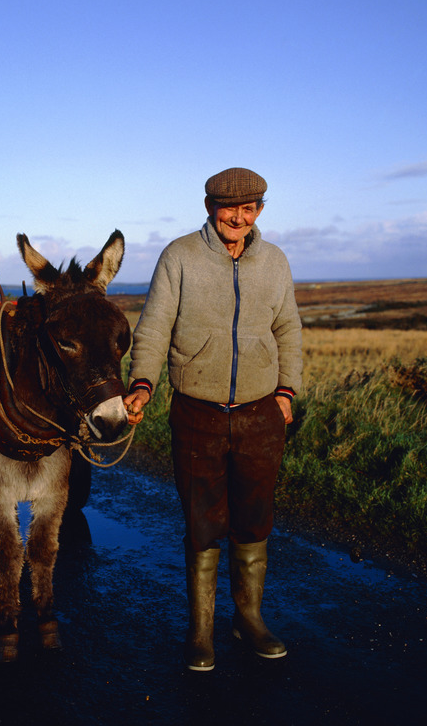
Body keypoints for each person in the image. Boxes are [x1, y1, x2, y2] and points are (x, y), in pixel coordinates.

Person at [123, 167, 303, 672]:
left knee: (254, 518)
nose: (238, 218)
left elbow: (288, 327)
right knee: (203, 523)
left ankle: (249, 618)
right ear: (209, 207)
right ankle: (201, 631)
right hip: (196, 413)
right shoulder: (178, 256)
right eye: (229, 208)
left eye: (249, 209)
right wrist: (143, 383)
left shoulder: (275, 260)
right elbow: (154, 326)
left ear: (259, 211)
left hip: (261, 413)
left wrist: (286, 392)